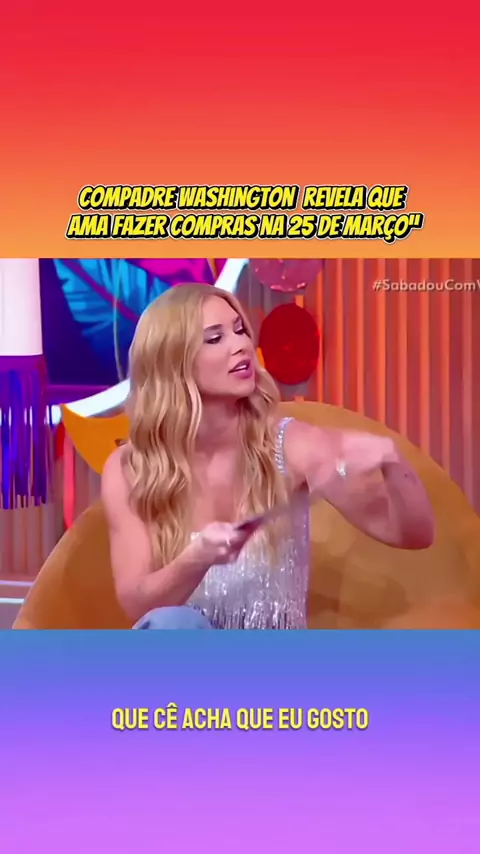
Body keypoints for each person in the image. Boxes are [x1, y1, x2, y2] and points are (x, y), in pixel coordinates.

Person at [101, 284, 435, 630]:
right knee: (172, 625)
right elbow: (137, 605)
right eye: (215, 339)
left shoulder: (291, 445)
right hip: (185, 659)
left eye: (240, 330)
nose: (241, 345)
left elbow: (414, 534)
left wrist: (392, 461)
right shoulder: (130, 469)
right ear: (172, 363)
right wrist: (197, 559)